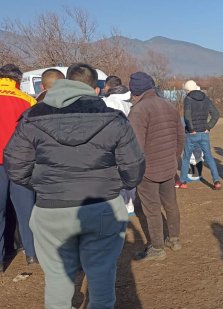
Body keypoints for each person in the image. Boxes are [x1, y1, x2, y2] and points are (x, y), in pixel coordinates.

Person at [4, 63, 145, 308]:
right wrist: (113, 184)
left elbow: (15, 165)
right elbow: (133, 169)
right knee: (101, 278)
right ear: (94, 88)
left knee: (58, 278)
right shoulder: (114, 119)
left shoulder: (32, 117)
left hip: (51, 208)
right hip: (102, 206)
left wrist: (44, 186)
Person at [129, 71, 184, 261]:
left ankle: (157, 248)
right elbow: (180, 137)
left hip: (148, 170)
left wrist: (135, 169)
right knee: (171, 204)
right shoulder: (169, 105)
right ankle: (174, 240)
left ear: (134, 91)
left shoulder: (138, 110)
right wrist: (173, 158)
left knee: (151, 209)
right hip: (168, 165)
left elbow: (135, 146)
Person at [0, 64, 37, 273]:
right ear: (18, 80)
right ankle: (31, 253)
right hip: (22, 162)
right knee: (26, 210)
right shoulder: (27, 100)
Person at [180, 80, 222, 189]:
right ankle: (216, 181)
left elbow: (187, 117)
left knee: (186, 158)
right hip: (204, 133)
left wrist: (191, 129)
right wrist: (208, 127)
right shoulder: (206, 98)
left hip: (191, 134)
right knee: (209, 158)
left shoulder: (188, 99)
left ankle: (183, 182)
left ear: (187, 90)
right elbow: (216, 114)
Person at [102, 84, 136, 215]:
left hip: (111, 145)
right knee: (127, 173)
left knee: (116, 174)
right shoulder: (129, 105)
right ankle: (130, 202)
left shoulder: (106, 103)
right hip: (127, 143)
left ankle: (122, 202)